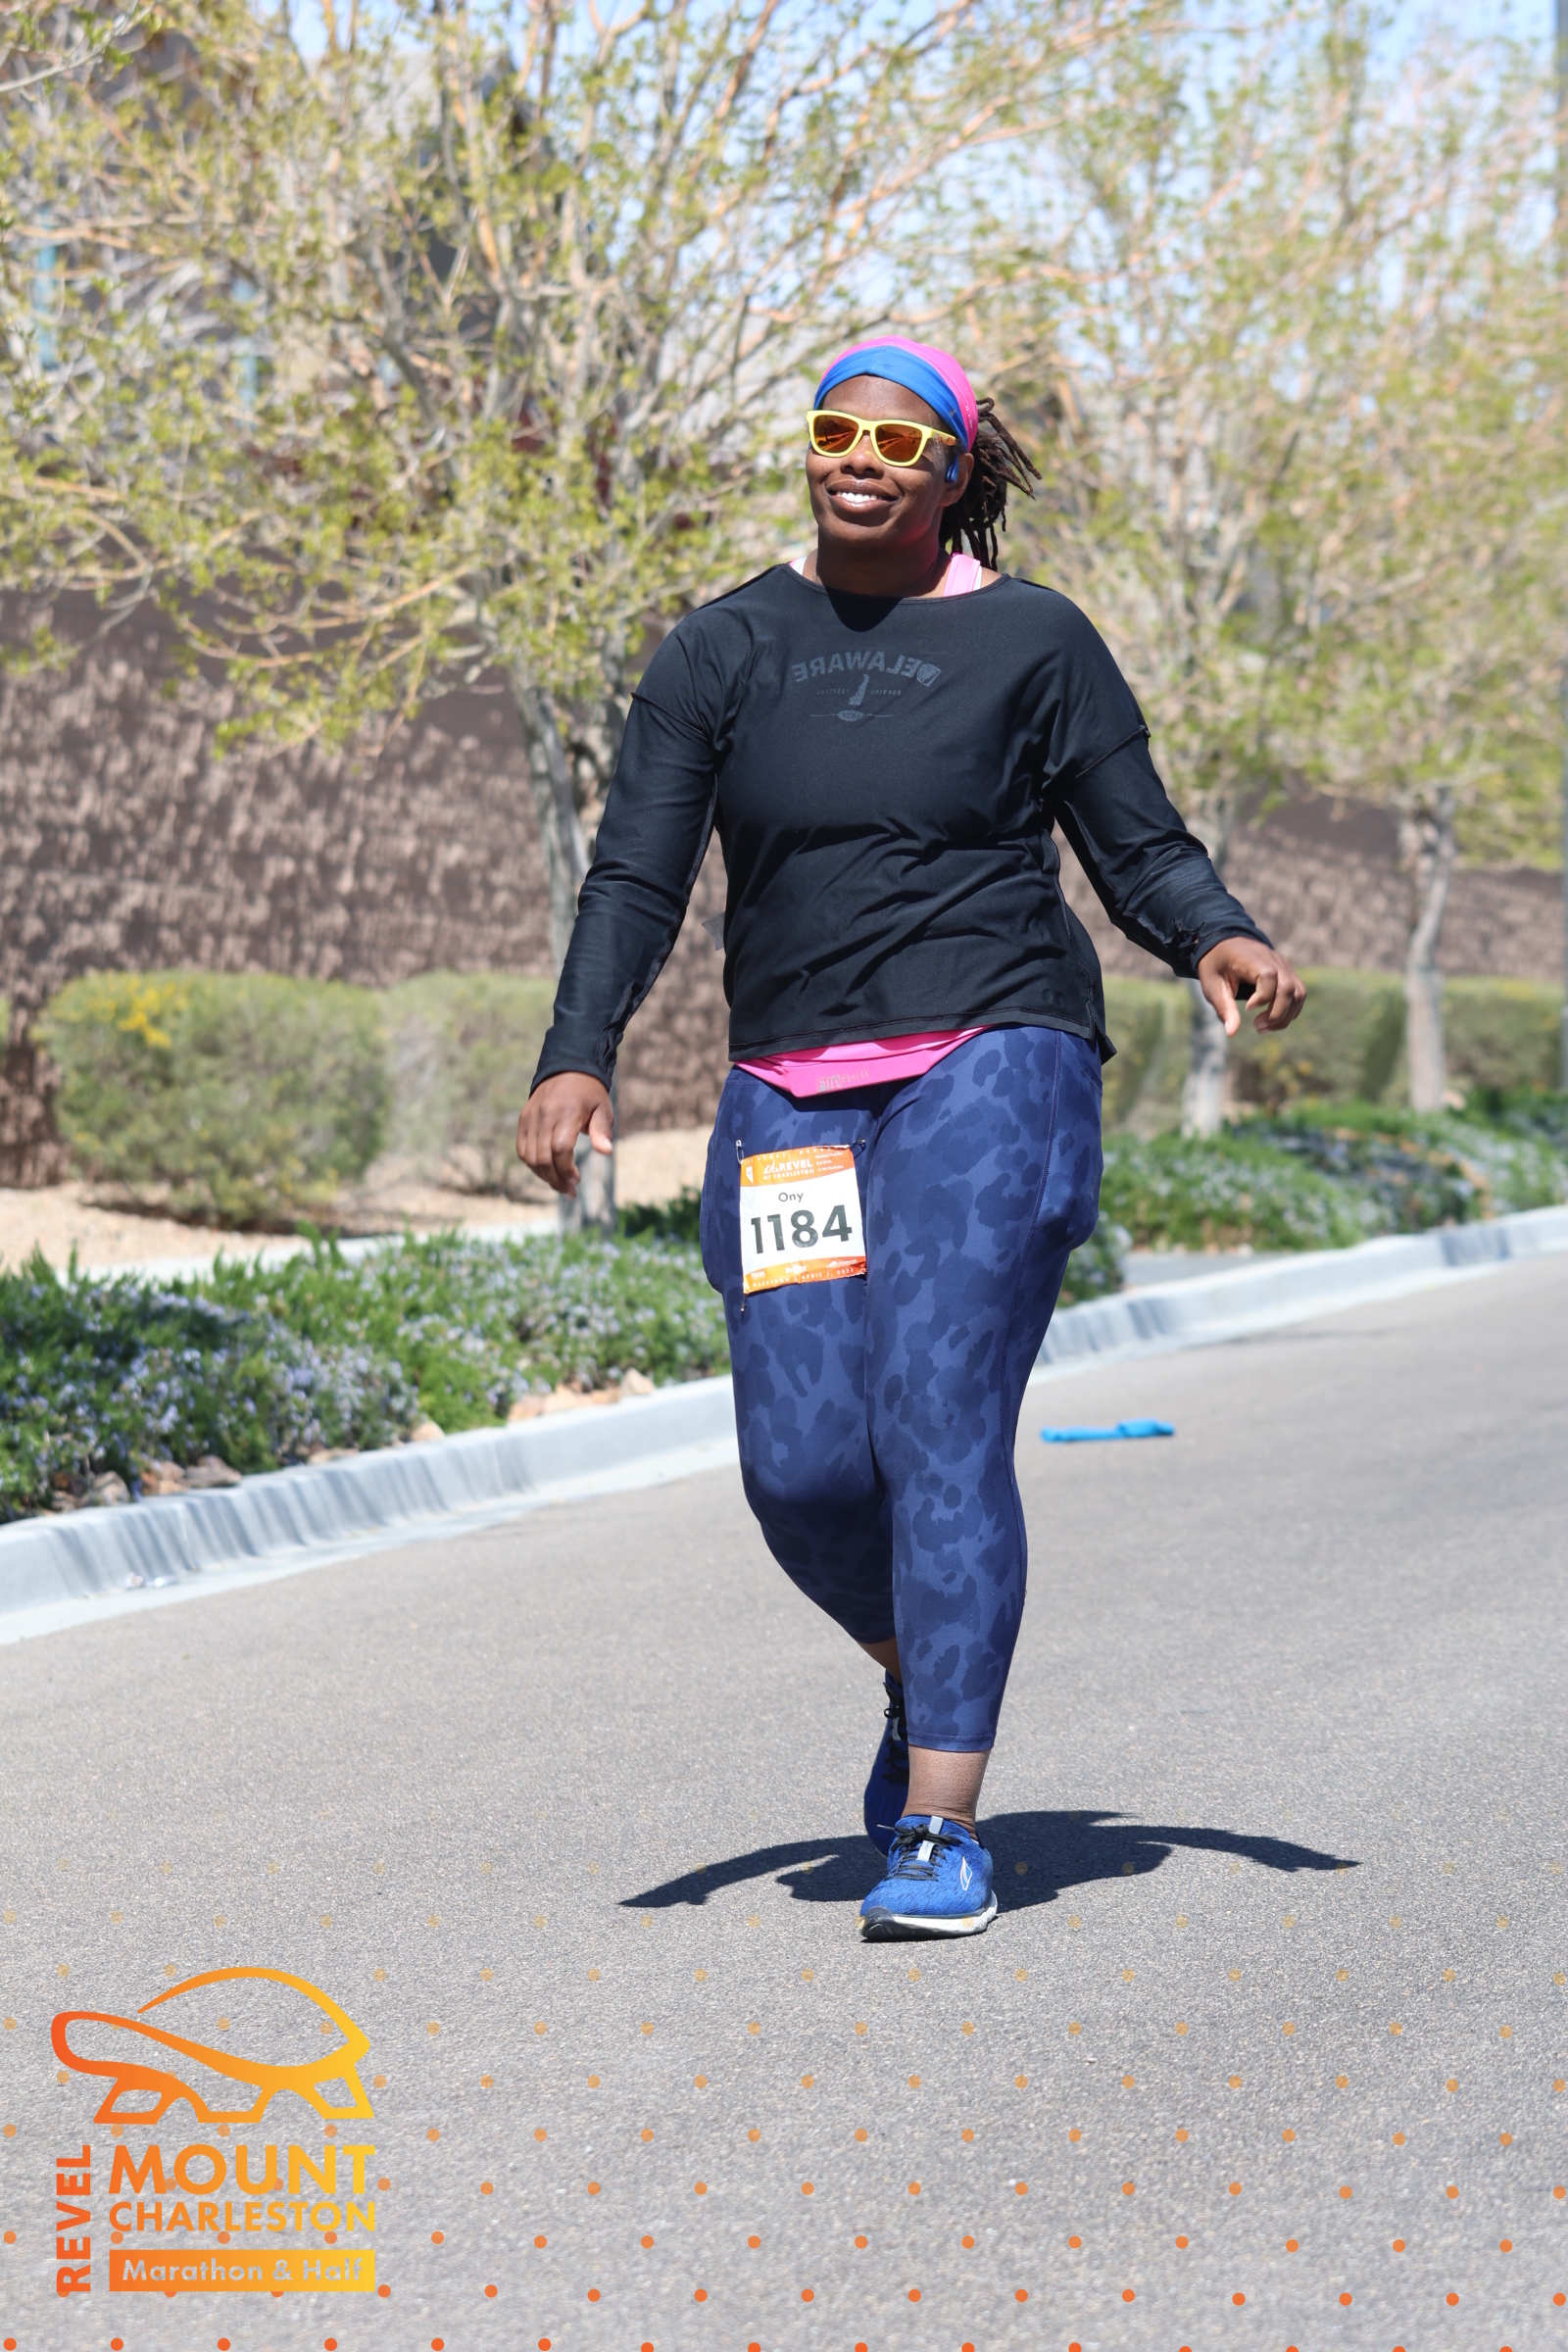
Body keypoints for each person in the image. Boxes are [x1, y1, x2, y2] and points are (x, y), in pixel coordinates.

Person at [518, 333, 1304, 1941]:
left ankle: (943, 1823)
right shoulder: (720, 650)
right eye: (835, 431)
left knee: (938, 1414)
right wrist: (577, 1055)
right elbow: (637, 878)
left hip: (993, 1057)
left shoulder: (1034, 639)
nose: (859, 461)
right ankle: (917, 1668)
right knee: (803, 1468)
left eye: (897, 442)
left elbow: (1136, 841)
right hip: (791, 1091)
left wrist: (1214, 935)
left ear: (953, 469)